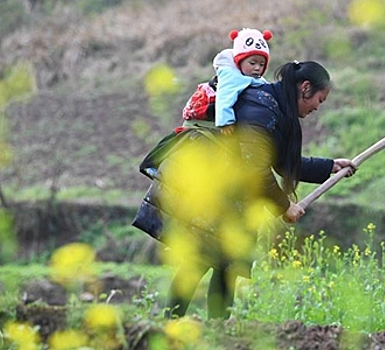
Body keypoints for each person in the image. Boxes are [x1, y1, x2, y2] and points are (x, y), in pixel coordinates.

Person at [153, 60, 357, 319]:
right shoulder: (261, 108)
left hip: (231, 195)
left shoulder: (274, 108)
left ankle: (217, 331)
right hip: (214, 192)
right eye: (319, 99)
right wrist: (284, 206)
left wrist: (330, 166)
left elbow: (283, 163)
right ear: (305, 88)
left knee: (228, 264)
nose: (318, 106)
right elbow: (255, 169)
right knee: (203, 259)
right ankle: (170, 327)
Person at [179, 28, 273, 135]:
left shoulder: (252, 74)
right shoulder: (230, 75)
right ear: (240, 61)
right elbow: (224, 98)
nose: (257, 68)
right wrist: (226, 122)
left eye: (261, 64)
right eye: (252, 63)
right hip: (207, 107)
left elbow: (264, 86)